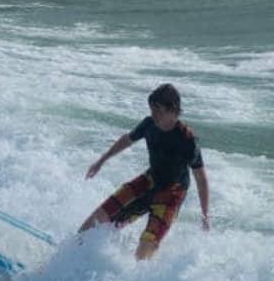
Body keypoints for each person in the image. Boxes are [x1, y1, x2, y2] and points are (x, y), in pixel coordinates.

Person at [80, 84, 210, 260]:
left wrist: (205, 215)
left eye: (158, 110)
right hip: (148, 181)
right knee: (97, 222)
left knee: (143, 252)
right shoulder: (149, 124)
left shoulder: (187, 139)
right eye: (152, 109)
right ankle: (68, 256)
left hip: (171, 194)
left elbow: (200, 178)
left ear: (173, 110)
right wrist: (101, 161)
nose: (154, 114)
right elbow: (127, 139)